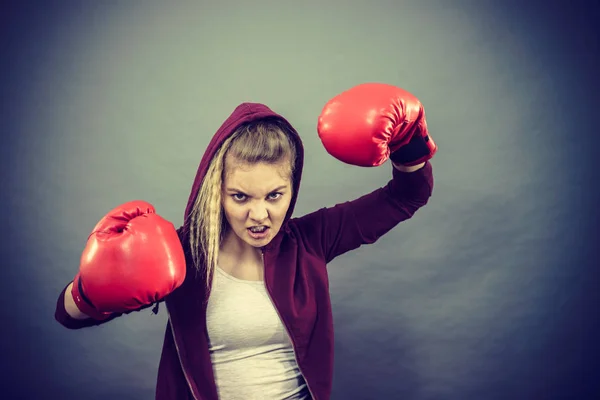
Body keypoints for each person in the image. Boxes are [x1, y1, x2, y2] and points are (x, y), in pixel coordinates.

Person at [55, 82, 437, 400]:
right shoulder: (181, 254)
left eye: (274, 195)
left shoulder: (310, 241)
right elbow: (68, 316)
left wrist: (409, 142)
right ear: (217, 191)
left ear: (292, 187)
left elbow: (408, 195)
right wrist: (90, 289)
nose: (259, 216)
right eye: (240, 196)